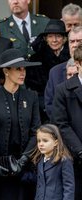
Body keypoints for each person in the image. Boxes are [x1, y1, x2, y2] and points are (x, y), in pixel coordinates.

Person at [0, 48, 41, 200]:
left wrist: (23, 160)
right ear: (6, 71)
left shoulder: (31, 96)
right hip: (1, 168)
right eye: (18, 69)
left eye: (24, 69)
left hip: (26, 168)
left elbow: (36, 131)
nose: (23, 73)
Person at [51, 44, 82, 200]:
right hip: (76, 157)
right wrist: (80, 150)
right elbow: (61, 123)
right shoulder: (63, 89)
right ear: (77, 63)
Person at [25, 19, 70, 123]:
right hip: (44, 112)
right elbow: (33, 90)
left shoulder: (72, 57)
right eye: (50, 36)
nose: (54, 40)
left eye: (58, 36)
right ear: (45, 39)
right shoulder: (35, 60)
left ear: (64, 39)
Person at [44, 26, 82, 119]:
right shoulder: (55, 72)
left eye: (79, 41)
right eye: (72, 41)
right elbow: (50, 106)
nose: (75, 45)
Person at [32, 124, 74, 200]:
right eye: (39, 141)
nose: (41, 144)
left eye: (45, 141)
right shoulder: (39, 160)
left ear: (56, 142)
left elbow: (69, 187)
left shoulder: (64, 160)